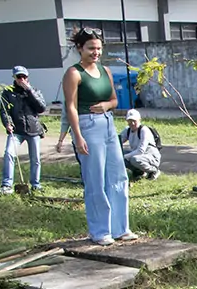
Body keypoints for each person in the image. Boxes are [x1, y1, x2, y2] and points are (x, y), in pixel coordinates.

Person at [62, 27, 137, 246]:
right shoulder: (74, 73)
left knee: (118, 176)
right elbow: (70, 107)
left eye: (98, 48)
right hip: (87, 124)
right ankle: (100, 230)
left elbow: (114, 100)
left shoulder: (106, 70)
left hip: (108, 123)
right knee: (95, 179)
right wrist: (77, 136)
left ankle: (120, 228)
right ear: (79, 48)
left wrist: (106, 105)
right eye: (90, 48)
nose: (95, 52)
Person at [0, 66, 47, 195]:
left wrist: (29, 91)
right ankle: (6, 185)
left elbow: (41, 108)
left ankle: (36, 185)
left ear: (27, 77)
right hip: (17, 131)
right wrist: (7, 124)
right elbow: (4, 110)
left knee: (35, 158)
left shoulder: (34, 90)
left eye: (24, 77)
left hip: (33, 130)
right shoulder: (8, 92)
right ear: (14, 78)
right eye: (19, 77)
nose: (22, 79)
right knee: (9, 154)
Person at [119, 109, 161, 180]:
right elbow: (118, 142)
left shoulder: (144, 130)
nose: (132, 123)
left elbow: (141, 151)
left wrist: (124, 157)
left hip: (151, 157)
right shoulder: (128, 130)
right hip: (139, 156)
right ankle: (139, 172)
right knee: (119, 154)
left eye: (134, 121)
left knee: (133, 159)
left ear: (139, 120)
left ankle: (153, 171)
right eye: (129, 121)